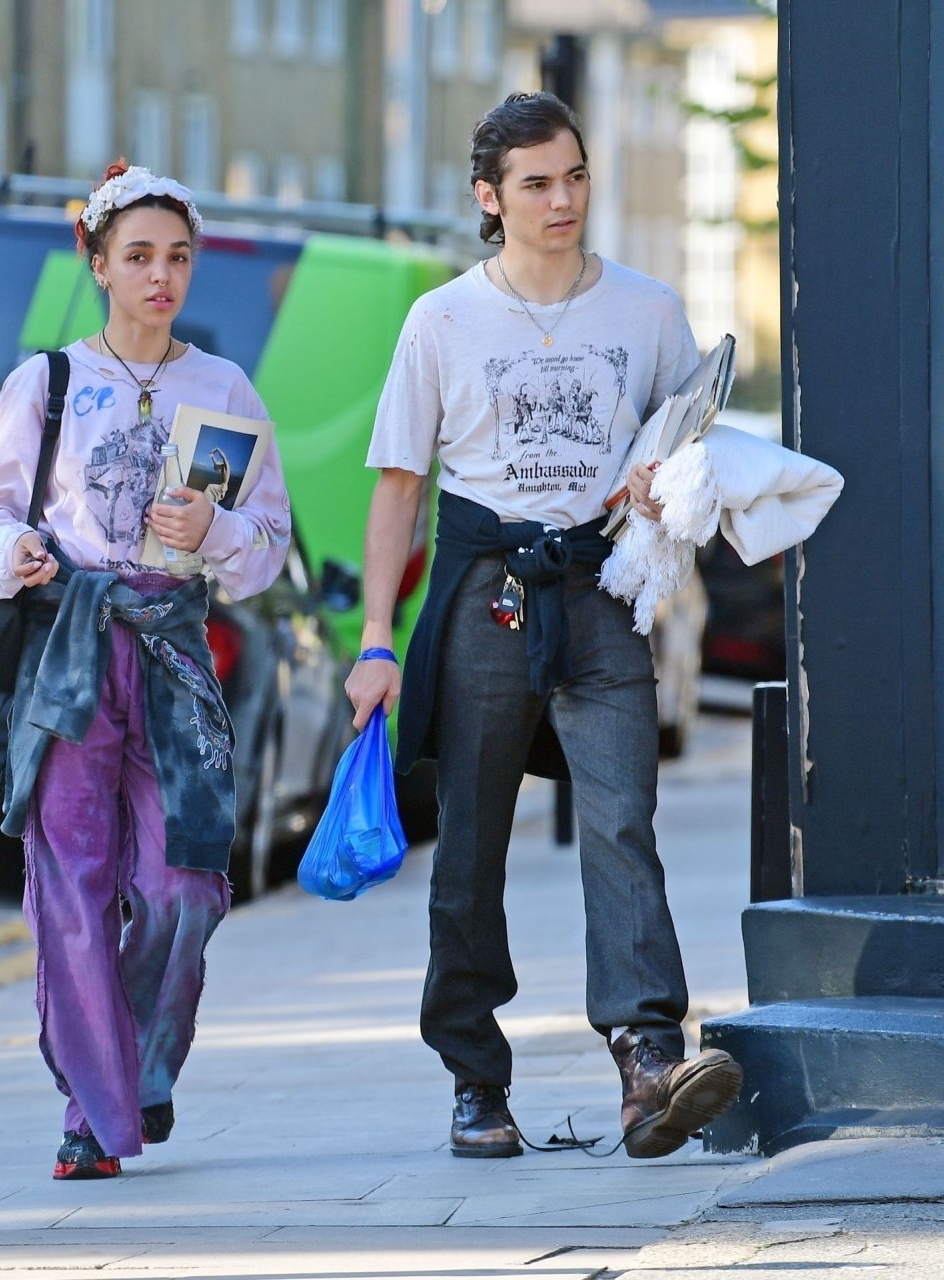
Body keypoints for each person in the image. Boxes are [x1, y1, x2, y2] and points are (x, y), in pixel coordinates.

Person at [345, 92, 743, 1160]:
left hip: (600, 586)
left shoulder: (648, 310)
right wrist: (377, 640)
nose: (562, 199)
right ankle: (475, 1077)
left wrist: (667, 483)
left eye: (573, 177)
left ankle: (647, 1058)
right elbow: (398, 485)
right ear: (489, 198)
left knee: (622, 819)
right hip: (486, 591)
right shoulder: (440, 320)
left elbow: (693, 445)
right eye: (535, 184)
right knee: (471, 840)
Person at [0, 161, 291, 1180]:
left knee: (184, 888)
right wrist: (12, 549)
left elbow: (267, 550)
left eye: (177, 257)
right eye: (138, 256)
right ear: (97, 263)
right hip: (69, 652)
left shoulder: (223, 389)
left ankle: (136, 1065)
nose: (160, 276)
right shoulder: (46, 382)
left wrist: (215, 528)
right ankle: (92, 1113)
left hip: (175, 655)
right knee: (73, 885)